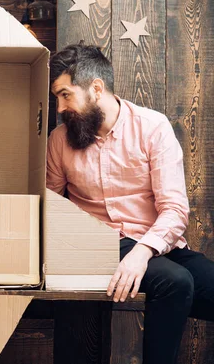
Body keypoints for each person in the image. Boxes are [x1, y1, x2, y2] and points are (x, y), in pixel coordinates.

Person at [46, 43, 214, 364]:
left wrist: (142, 253)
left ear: (96, 89)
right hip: (98, 245)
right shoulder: (59, 139)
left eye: (65, 95)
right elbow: (50, 206)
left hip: (157, 245)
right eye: (57, 97)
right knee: (176, 283)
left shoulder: (153, 127)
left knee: (190, 282)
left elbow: (175, 209)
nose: (60, 107)